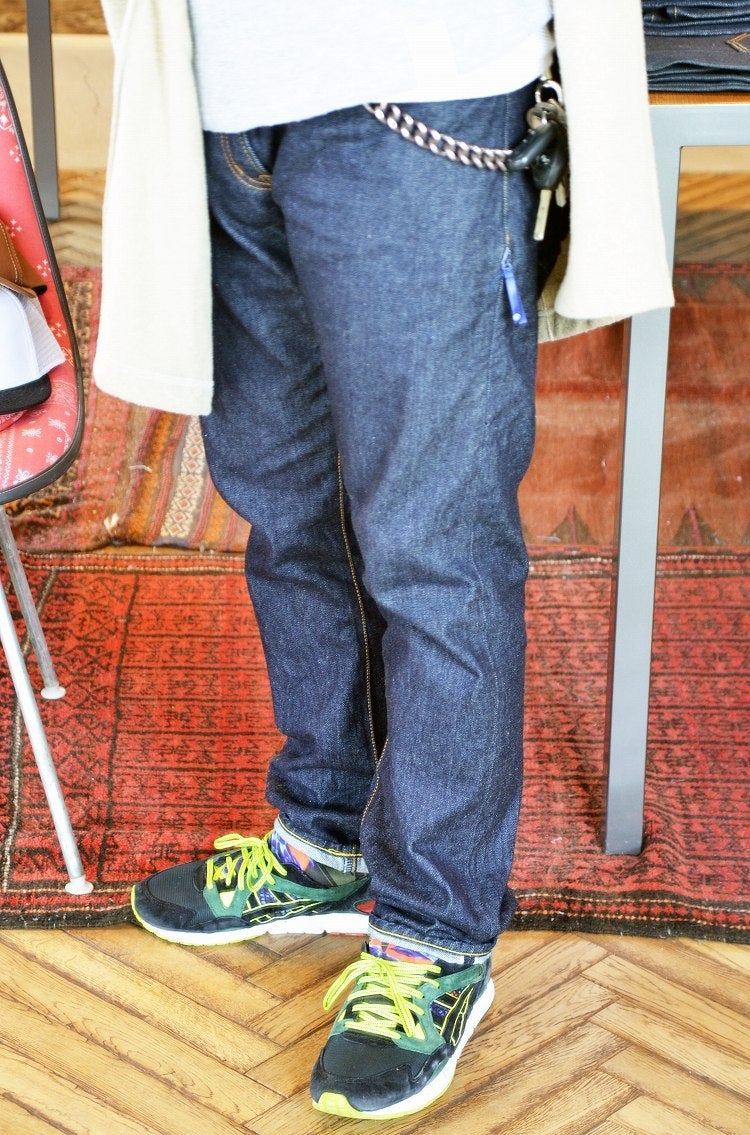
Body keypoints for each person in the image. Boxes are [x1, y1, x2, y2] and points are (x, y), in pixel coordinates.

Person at [96, 1, 674, 1121]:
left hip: (417, 84)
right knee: (286, 509)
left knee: (435, 546)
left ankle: (435, 930)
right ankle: (327, 832)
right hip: (213, 95)